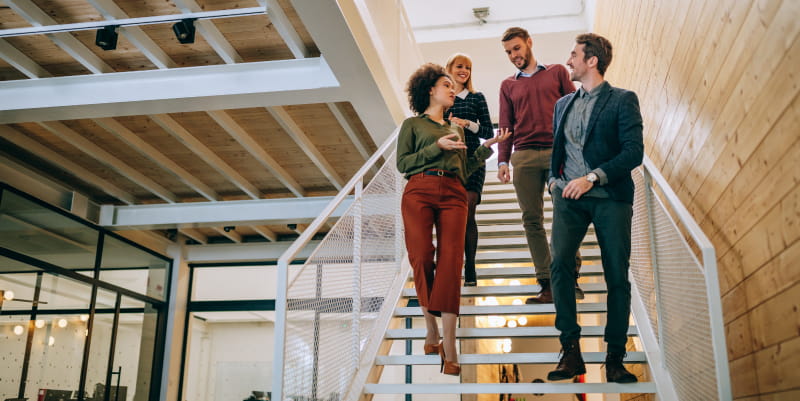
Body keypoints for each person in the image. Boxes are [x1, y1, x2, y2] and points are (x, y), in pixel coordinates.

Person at [397, 63, 510, 376]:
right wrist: (436, 146)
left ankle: (450, 344)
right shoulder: (412, 126)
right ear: (430, 90)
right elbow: (402, 163)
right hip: (419, 189)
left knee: (452, 263)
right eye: (446, 85)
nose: (452, 90)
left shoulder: (457, 128)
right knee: (421, 256)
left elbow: (465, 167)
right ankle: (431, 328)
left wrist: (485, 149)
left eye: (452, 86)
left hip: (454, 192)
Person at [546, 33, 643, 384]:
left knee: (616, 273)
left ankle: (615, 357)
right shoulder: (562, 105)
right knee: (558, 265)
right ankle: (570, 351)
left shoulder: (622, 100)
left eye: (574, 55)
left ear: (592, 61)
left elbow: (633, 152)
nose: (568, 60)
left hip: (610, 197)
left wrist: (593, 177)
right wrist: (552, 183)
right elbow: (555, 151)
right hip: (568, 199)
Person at [498, 27, 583, 304]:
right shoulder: (508, 85)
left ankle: (569, 279)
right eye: (509, 52)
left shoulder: (557, 71)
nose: (514, 55)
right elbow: (505, 126)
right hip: (522, 156)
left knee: (566, 214)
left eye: (517, 48)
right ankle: (546, 283)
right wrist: (502, 159)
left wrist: (576, 149)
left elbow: (575, 109)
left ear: (529, 43)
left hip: (556, 153)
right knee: (531, 220)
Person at [444, 53, 495, 287]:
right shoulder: (444, 97)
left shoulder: (477, 98)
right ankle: (453, 264)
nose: (464, 70)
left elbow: (487, 131)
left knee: (468, 212)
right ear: (450, 69)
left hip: (474, 159)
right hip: (448, 161)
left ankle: (471, 266)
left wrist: (468, 124)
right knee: (452, 217)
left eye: (468, 67)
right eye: (459, 66)